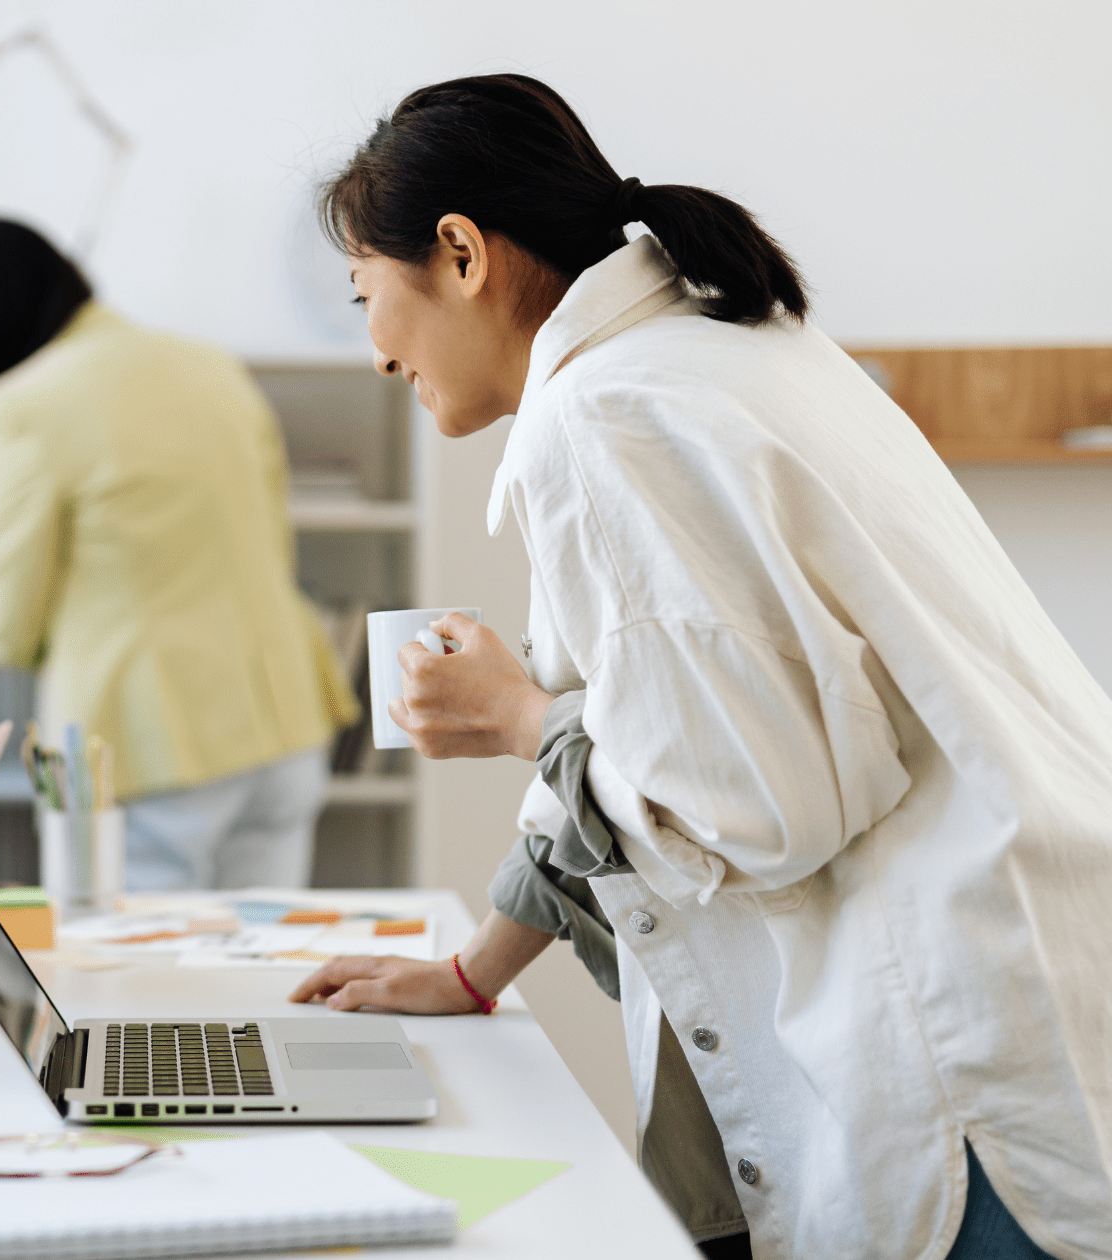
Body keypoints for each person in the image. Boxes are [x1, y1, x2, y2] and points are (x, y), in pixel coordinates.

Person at [286, 75, 1109, 1260]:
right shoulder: (718, 344)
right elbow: (646, 738)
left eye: (366, 296)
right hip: (1027, 962)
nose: (373, 351)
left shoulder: (605, 417)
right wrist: (474, 973)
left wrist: (516, 716)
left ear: (459, 253)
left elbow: (747, 805)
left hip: (954, 1047)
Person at [0, 217, 359, 891]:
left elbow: (6, 632)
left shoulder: (20, 408)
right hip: (284, 725)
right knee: (258, 980)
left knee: (128, 993)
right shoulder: (212, 368)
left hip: (149, 751)